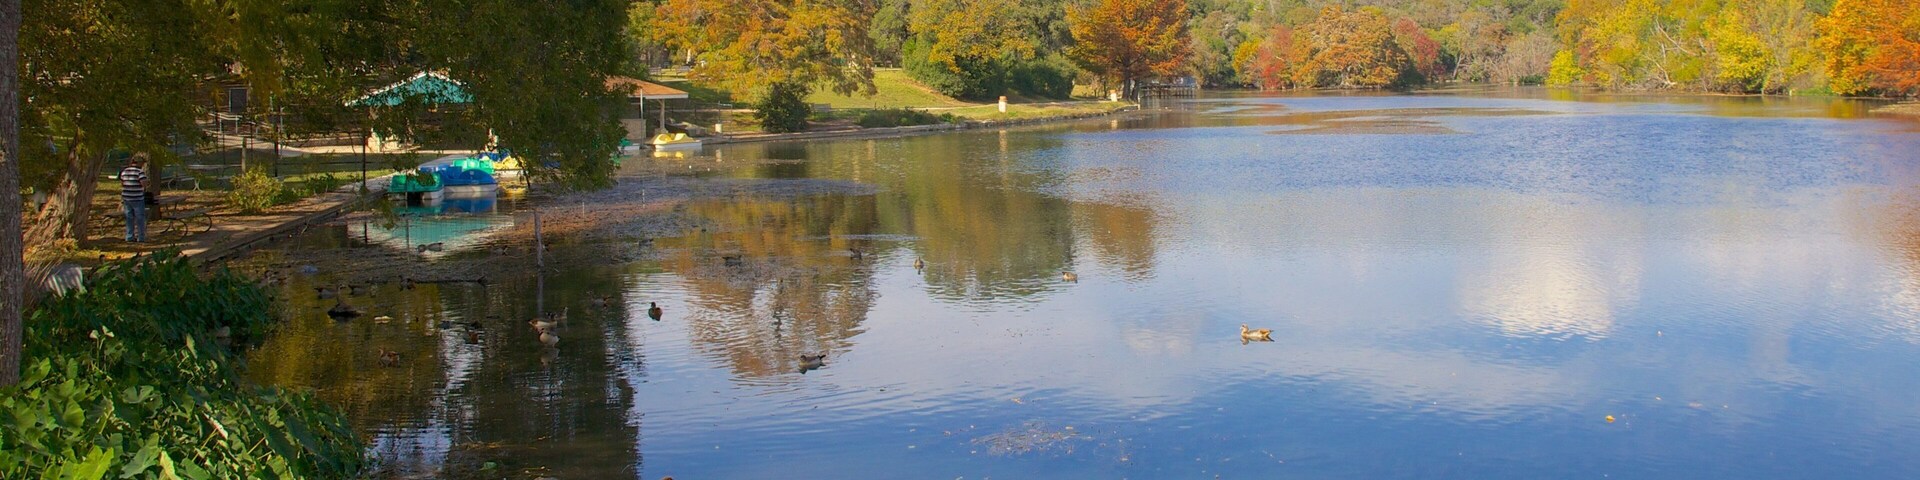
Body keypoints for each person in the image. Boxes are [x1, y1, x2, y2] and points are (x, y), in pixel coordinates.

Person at [119, 154, 151, 242]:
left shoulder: (124, 171)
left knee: (129, 217)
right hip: (137, 198)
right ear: (139, 163)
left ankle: (129, 236)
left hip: (126, 198)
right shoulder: (139, 172)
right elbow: (143, 183)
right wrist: (146, 183)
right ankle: (141, 237)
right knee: (140, 218)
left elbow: (122, 183)